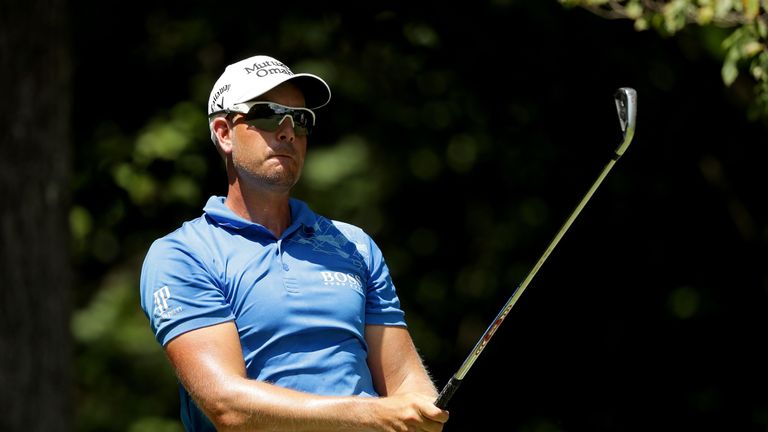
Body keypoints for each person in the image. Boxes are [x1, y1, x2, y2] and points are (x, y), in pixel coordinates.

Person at [139, 54, 449, 431]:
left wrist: (420, 410)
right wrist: (370, 414)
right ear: (224, 133)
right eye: (269, 115)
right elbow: (227, 405)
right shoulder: (183, 254)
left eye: (300, 120)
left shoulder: (353, 245)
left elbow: (405, 383)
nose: (287, 131)